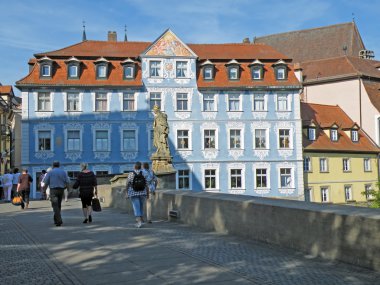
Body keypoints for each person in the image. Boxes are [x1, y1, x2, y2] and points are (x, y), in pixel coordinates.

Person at [42, 161, 70, 226]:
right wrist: (68, 189)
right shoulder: (63, 172)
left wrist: (44, 190)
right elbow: (67, 182)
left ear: (53, 165)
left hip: (53, 190)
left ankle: (58, 220)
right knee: (58, 205)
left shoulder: (50, 172)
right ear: (59, 165)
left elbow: (46, 183)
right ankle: (56, 219)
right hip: (61, 190)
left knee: (55, 205)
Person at [126, 161, 148, 228]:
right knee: (141, 206)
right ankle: (141, 220)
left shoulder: (131, 174)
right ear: (140, 167)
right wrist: (147, 193)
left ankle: (139, 222)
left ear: (134, 166)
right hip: (142, 192)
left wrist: (126, 192)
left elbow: (127, 183)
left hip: (133, 192)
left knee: (136, 207)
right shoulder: (144, 173)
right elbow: (146, 183)